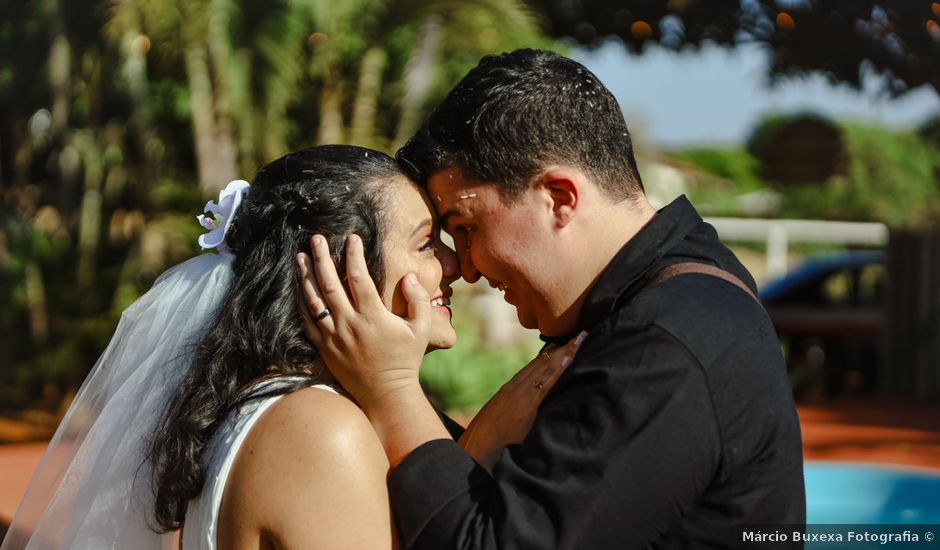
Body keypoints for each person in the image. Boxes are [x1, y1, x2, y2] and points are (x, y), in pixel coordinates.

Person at [298, 49, 806, 549]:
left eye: (466, 227)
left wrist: (390, 390)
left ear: (559, 198)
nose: (467, 267)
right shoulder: (684, 283)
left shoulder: (664, 345)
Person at [2, 145, 577, 549]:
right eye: (427, 244)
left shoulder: (280, 407)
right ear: (336, 271)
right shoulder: (322, 431)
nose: (454, 265)